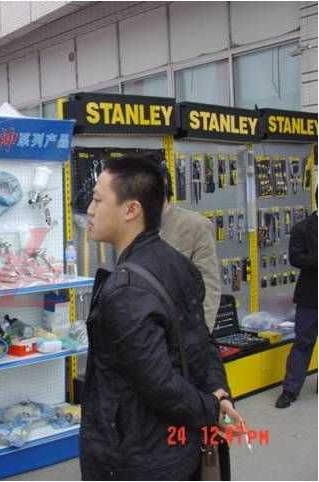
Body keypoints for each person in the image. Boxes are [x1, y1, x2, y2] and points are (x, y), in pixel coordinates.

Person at [80, 156, 242, 481]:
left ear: (131, 210)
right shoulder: (176, 264)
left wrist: (213, 407)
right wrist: (218, 393)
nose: (90, 210)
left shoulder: (127, 291)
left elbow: (158, 384)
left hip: (139, 456)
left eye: (98, 200)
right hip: (179, 447)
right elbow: (203, 342)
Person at [160, 171, 221, 333]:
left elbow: (209, 287)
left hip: (184, 335)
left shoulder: (196, 226)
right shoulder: (134, 226)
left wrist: (199, 335)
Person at [276, 192, 317, 409]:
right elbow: (295, 257)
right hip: (311, 296)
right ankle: (290, 390)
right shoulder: (302, 228)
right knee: (303, 343)